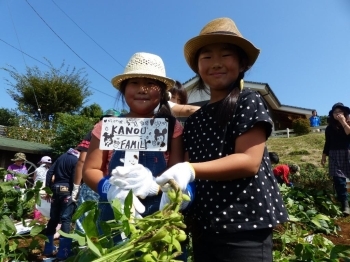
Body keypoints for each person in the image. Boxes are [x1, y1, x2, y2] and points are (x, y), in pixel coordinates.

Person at [155, 17, 289, 261]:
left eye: (226, 55)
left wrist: (189, 169)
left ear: (242, 63)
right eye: (206, 57)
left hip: (245, 224)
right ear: (197, 67)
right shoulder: (195, 120)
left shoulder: (248, 100)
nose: (216, 63)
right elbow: (186, 167)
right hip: (204, 224)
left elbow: (248, 161)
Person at [82, 52, 184, 236]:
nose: (142, 89)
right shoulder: (106, 126)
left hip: (159, 215)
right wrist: (110, 189)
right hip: (113, 214)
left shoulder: (172, 128)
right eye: (134, 83)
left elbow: (176, 172)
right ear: (123, 89)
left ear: (162, 92)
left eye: (150, 84)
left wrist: (155, 186)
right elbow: (90, 170)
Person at [72, 109, 120, 233]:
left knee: (86, 224)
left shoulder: (96, 131)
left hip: (95, 184)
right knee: (112, 226)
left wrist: (76, 187)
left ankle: (83, 249)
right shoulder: (127, 130)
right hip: (116, 185)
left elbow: (82, 161)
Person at [42, 148, 80, 260]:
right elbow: (74, 177)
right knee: (65, 219)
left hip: (56, 189)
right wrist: (75, 192)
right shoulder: (75, 160)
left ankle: (48, 249)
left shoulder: (61, 157)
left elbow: (49, 172)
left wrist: (48, 190)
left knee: (53, 219)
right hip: (67, 190)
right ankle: (64, 252)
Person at [321, 102, 350, 216]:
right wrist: (324, 156)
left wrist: (343, 122)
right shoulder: (329, 128)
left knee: (347, 179)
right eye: (335, 112)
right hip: (334, 154)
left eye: (339, 112)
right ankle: (345, 204)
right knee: (339, 180)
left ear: (344, 113)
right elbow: (327, 143)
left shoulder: (348, 123)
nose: (337, 114)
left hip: (347, 153)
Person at [33, 156, 52, 220]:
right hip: (46, 187)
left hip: (38, 186)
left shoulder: (37, 169)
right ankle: (47, 217)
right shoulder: (50, 170)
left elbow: (34, 178)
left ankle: (37, 217)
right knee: (47, 202)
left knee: (37, 203)